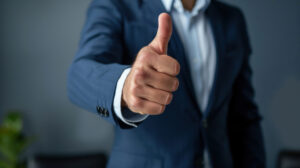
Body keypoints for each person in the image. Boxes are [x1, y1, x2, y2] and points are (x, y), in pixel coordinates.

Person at [67, 0, 266, 167]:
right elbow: (79, 76)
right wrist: (125, 87)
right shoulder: (116, 5)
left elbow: (243, 116)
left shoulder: (232, 19)